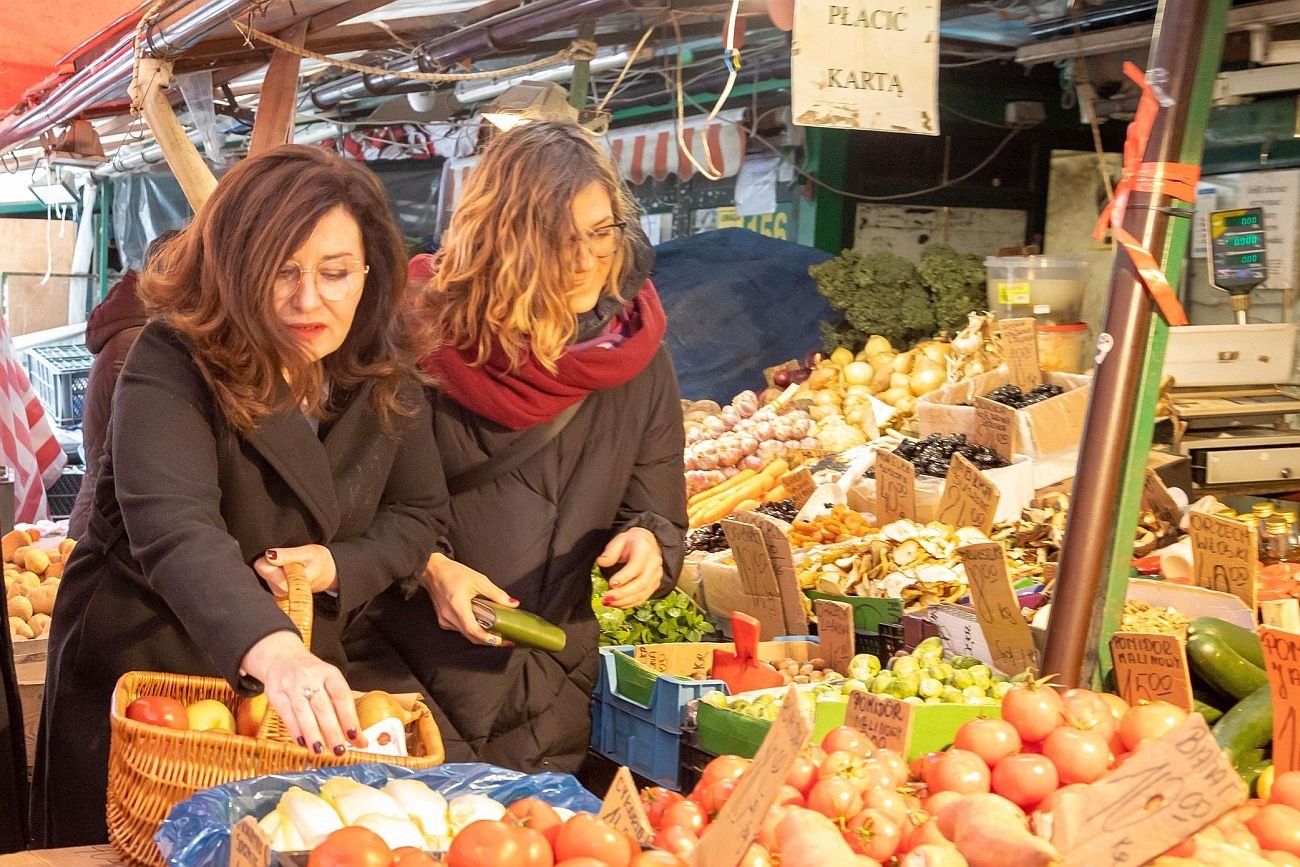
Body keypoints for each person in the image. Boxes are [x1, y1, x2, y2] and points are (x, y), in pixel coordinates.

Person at [31, 145, 443, 847]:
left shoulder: (380, 369)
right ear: (233, 272)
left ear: (371, 270)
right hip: (150, 672)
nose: (310, 299)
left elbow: (416, 514)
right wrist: (274, 648)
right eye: (281, 272)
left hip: (287, 691)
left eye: (335, 272)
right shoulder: (171, 357)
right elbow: (175, 525)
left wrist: (337, 565)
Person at [346, 122, 687, 774]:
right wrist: (433, 572)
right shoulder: (416, 341)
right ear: (508, 238)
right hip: (403, 680)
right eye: (561, 239)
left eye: (600, 231)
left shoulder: (639, 360)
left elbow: (660, 513)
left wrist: (649, 545)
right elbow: (350, 508)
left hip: (552, 687)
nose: (587, 259)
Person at [68, 229, 182, 539]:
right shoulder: (141, 344)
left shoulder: (136, 334)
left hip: (109, 518)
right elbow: (141, 460)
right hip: (112, 527)